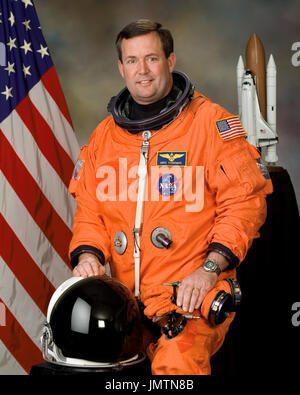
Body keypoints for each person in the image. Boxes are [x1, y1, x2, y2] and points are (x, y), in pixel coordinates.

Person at [68, 19, 272, 375]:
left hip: (189, 297)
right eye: (132, 61)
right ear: (121, 67)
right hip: (124, 302)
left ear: (170, 61)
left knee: (175, 368)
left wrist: (209, 270)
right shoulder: (104, 138)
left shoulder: (211, 126)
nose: (142, 71)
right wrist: (88, 256)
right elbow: (90, 211)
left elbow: (244, 204)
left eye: (151, 58)